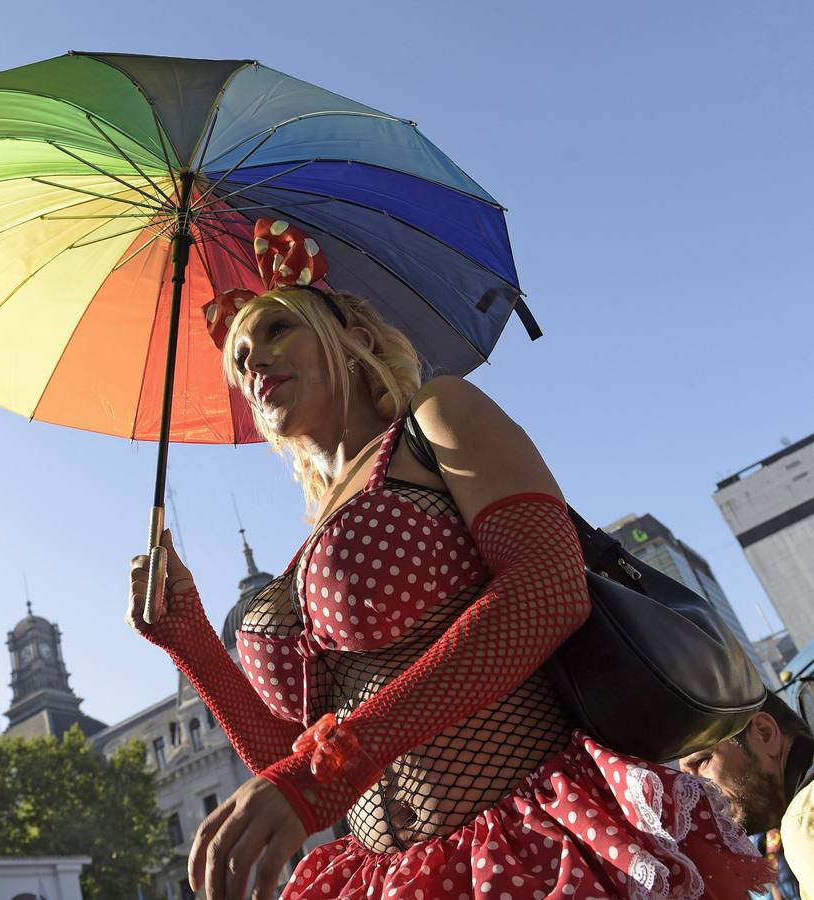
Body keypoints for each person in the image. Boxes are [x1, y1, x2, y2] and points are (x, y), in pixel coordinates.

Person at [126, 219, 770, 900]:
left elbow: (546, 589)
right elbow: (290, 756)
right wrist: (188, 638)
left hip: (529, 844)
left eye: (276, 331)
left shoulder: (436, 416)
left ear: (357, 341)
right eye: (239, 357)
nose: (251, 362)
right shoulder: (304, 548)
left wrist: (332, 770)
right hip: (391, 879)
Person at [680, 692, 814, 898]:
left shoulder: (804, 820)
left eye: (703, 762)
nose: (698, 792)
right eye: (688, 778)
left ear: (764, 733)